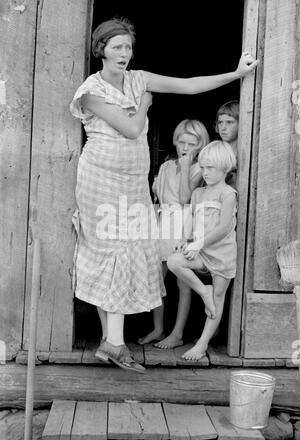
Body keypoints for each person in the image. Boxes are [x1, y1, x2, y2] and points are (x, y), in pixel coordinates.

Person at [69, 16, 258, 373]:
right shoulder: (91, 91)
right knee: (108, 251)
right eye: (117, 47)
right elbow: (130, 128)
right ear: (101, 50)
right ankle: (115, 342)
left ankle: (113, 342)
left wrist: (236, 75)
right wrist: (145, 103)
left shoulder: (138, 79)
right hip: (100, 182)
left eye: (128, 47)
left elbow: (188, 86)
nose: (124, 53)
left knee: (129, 252)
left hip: (132, 184)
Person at [138, 119, 210, 348]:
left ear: (201, 145)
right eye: (182, 142)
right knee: (156, 278)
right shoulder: (166, 167)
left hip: (185, 224)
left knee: (183, 282)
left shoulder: (200, 169)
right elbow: (158, 198)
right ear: (175, 141)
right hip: (164, 224)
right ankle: (159, 329)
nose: (185, 148)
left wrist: (187, 166)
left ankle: (177, 333)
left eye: (192, 144)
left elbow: (184, 199)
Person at [167, 141, 237, 360]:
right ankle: (202, 291)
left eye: (210, 168)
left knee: (218, 296)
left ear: (225, 168)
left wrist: (199, 243)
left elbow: (224, 227)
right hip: (200, 252)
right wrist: (184, 240)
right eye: (203, 167)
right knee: (174, 261)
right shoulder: (198, 193)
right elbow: (190, 219)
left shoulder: (227, 194)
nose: (204, 172)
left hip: (221, 253)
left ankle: (202, 344)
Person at [215, 100, 239, 188]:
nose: (223, 128)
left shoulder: (246, 153)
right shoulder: (213, 151)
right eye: (220, 122)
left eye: (229, 122)